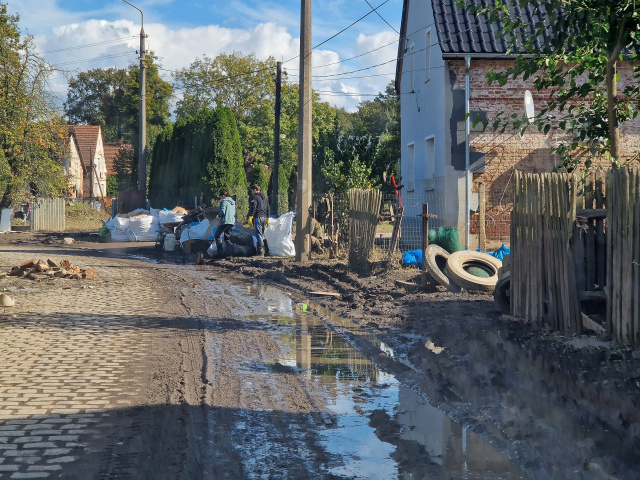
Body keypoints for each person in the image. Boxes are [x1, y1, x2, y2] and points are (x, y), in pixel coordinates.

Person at [247, 184, 270, 256]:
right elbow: (268, 208)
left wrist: (251, 216)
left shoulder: (255, 197)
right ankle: (267, 251)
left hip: (258, 217)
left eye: (252, 190)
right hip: (264, 217)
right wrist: (267, 218)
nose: (251, 192)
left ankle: (260, 252)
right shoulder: (265, 198)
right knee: (262, 234)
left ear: (255, 190)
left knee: (258, 234)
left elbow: (254, 207)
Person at [214, 190, 236, 256]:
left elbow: (223, 211)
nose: (220, 198)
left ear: (223, 196)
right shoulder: (232, 202)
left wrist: (218, 216)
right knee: (227, 237)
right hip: (231, 221)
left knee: (217, 235)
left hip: (225, 221)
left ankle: (220, 253)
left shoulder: (224, 202)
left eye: (220, 197)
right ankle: (231, 253)